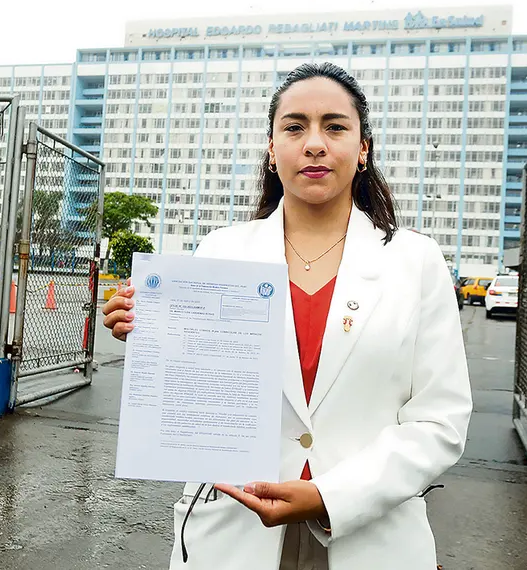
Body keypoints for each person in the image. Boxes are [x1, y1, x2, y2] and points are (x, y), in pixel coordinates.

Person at [102, 62, 472, 570]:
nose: (314, 143)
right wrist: (151, 336)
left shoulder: (416, 260)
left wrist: (331, 496)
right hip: (233, 528)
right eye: (294, 127)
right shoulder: (220, 252)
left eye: (335, 127)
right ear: (272, 150)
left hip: (370, 535)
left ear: (363, 150)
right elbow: (196, 391)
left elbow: (439, 421)